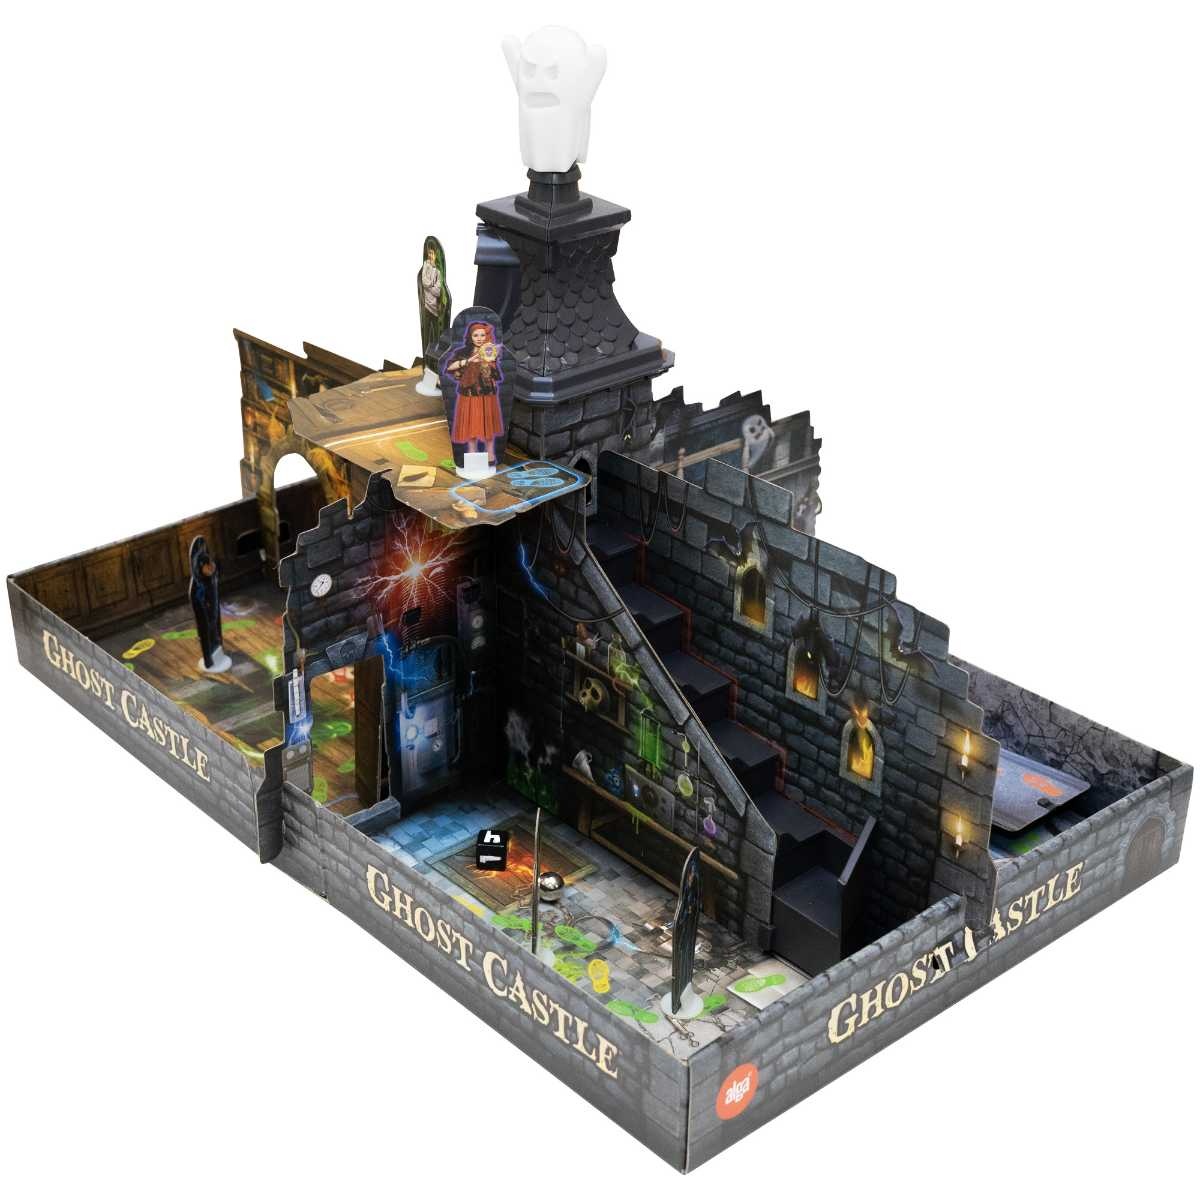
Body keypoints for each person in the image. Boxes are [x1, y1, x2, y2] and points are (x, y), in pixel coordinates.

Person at [444, 322, 505, 465]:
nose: (479, 338)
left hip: (487, 394)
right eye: (476, 335)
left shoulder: (490, 350)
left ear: (486, 336)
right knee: (471, 423)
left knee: (488, 424)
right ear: (470, 337)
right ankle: (472, 453)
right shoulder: (463, 352)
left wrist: (491, 361)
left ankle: (490, 455)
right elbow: (450, 367)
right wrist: (469, 361)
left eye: (482, 335)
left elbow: (494, 374)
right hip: (469, 394)